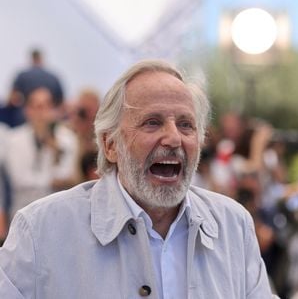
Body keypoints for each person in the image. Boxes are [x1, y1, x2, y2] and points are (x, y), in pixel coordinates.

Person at [0, 60, 278, 298]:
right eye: (152, 122)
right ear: (110, 145)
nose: (173, 138)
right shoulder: (41, 231)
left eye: (186, 124)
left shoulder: (233, 226)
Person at [3, 87, 78, 219]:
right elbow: (20, 180)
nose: (42, 113)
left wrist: (55, 152)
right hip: (23, 213)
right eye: (37, 107)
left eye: (46, 106)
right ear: (28, 111)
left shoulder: (66, 139)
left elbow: (67, 174)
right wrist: (52, 181)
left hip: (57, 213)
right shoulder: (14, 139)